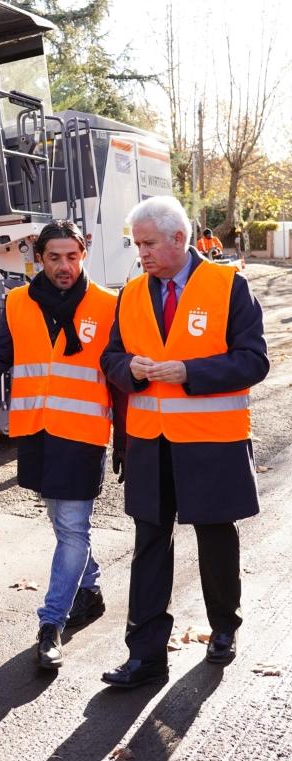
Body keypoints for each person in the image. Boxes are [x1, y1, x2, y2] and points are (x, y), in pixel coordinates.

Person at [100, 196, 269, 689]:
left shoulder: (228, 285)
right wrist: (125, 368)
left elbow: (254, 361)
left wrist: (190, 372)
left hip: (211, 443)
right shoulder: (131, 293)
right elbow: (111, 357)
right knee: (149, 546)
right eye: (137, 246)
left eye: (150, 244)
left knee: (215, 540)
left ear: (180, 238)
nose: (143, 255)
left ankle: (223, 629)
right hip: (150, 445)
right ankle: (146, 656)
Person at [0, 219, 124, 671]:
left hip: (84, 435)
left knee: (72, 528)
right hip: (36, 432)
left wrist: (125, 437)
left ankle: (51, 624)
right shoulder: (19, 302)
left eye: (72, 256)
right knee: (63, 523)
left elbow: (121, 380)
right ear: (39, 259)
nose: (64, 266)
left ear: (82, 254)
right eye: (54, 257)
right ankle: (89, 589)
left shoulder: (109, 305)